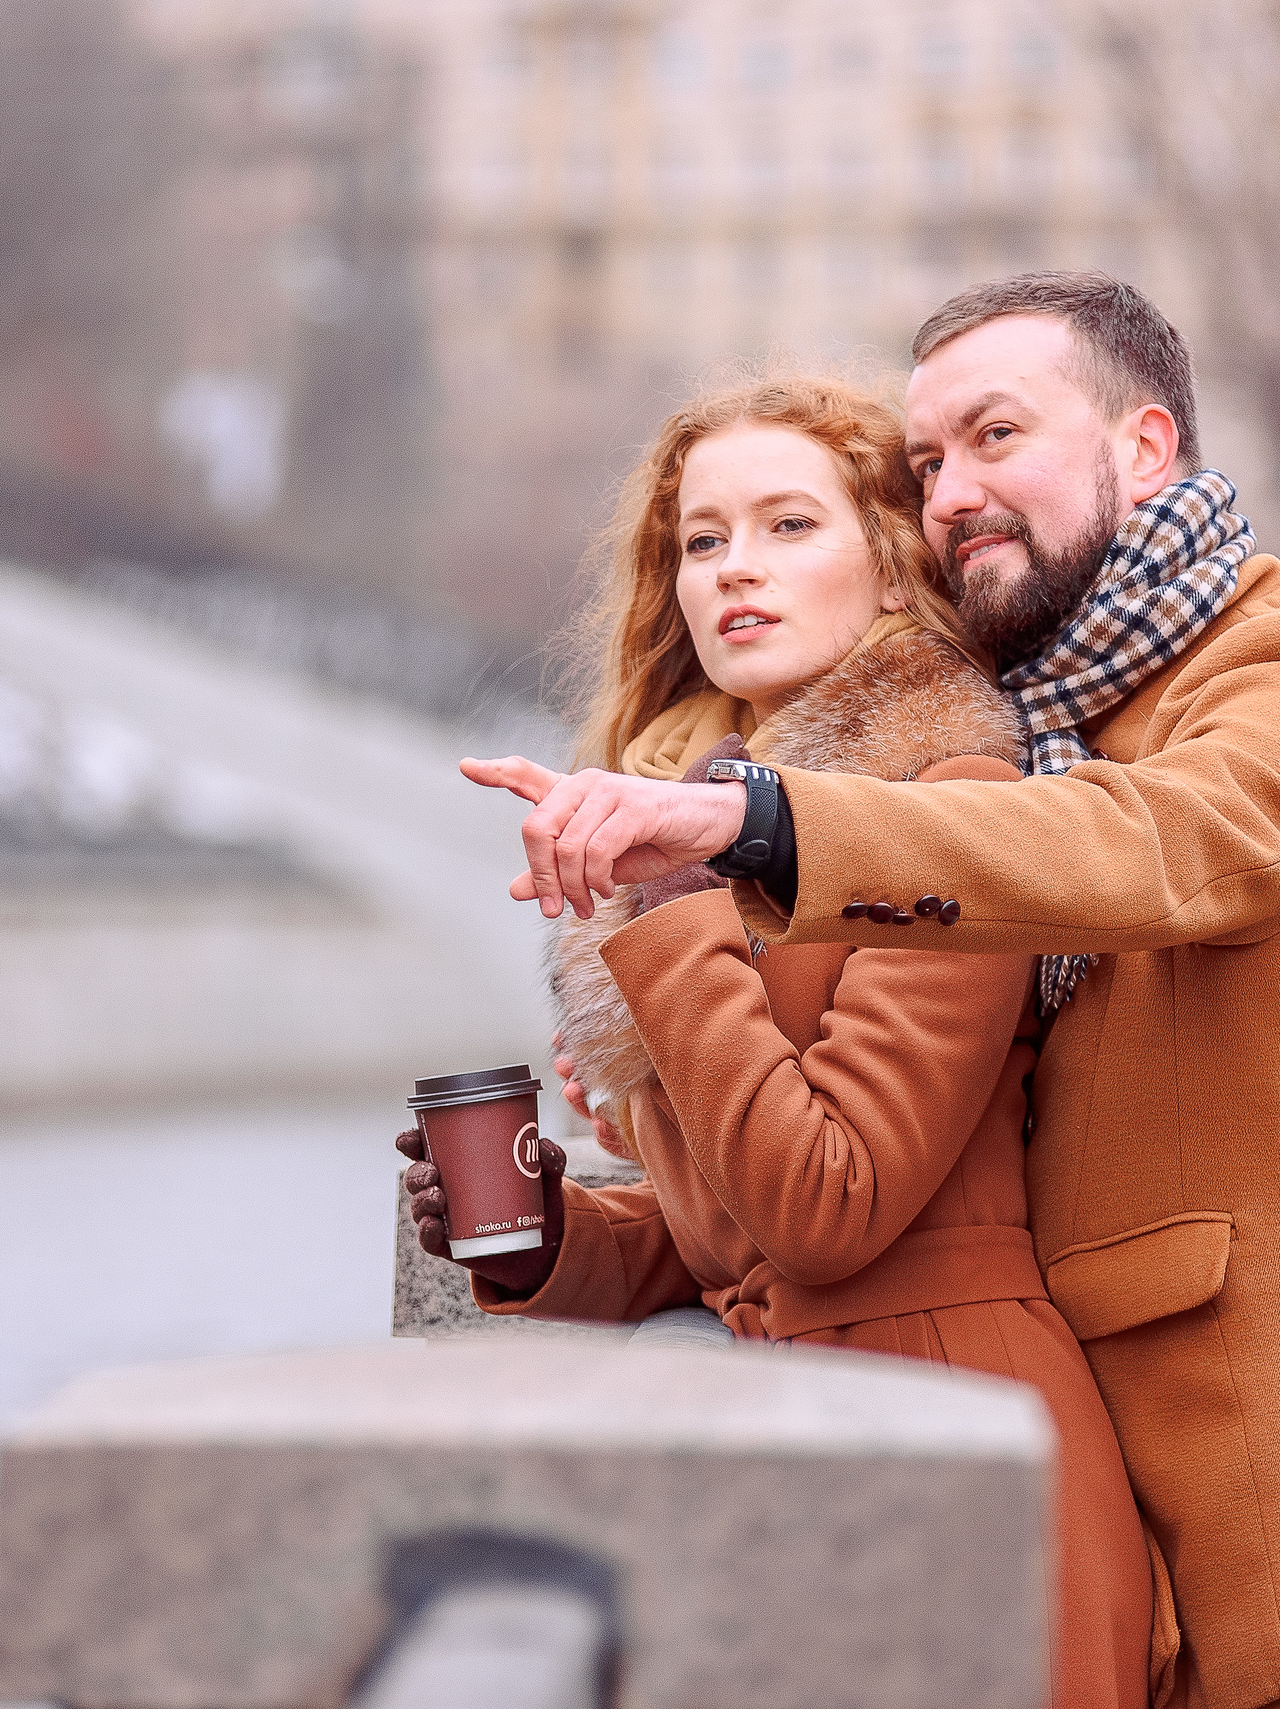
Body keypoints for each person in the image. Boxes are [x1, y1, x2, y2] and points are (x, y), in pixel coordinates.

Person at [460, 276, 1280, 1709]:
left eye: (997, 435)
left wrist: (754, 826)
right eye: (929, 461)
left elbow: (1136, 848)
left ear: (1145, 447)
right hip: (1115, 1511)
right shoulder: (1068, 714)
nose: (952, 492)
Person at [400, 371, 1154, 1708]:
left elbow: (826, 1204)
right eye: (701, 539)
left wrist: (673, 904)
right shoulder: (679, 812)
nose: (733, 569)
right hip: (778, 1468)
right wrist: (535, 1231)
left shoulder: (951, 804)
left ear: (892, 564)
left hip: (956, 1450)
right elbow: (728, 1248)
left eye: (789, 526)